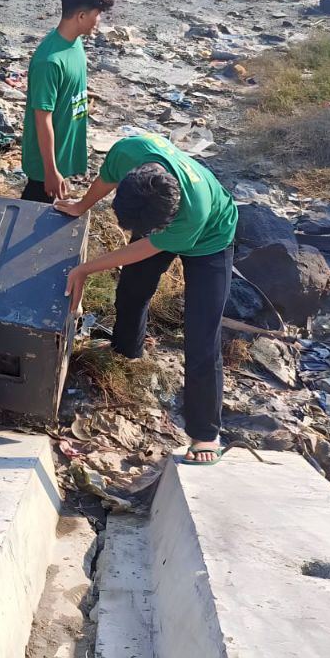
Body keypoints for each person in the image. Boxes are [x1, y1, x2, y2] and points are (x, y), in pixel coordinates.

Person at [56, 134, 238, 466]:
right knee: (130, 291)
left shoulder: (192, 209)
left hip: (212, 238)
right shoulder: (129, 152)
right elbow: (106, 180)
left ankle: (205, 432)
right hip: (160, 220)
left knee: (202, 337)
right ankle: (126, 354)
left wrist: (85, 270)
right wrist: (82, 205)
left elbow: (147, 247)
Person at [21, 0, 114, 204]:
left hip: (65, 150)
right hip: (46, 163)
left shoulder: (76, 43)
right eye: (96, 14)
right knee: (31, 211)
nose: (99, 20)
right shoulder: (50, 61)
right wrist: (51, 171)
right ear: (81, 16)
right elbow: (42, 119)